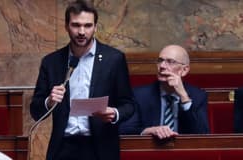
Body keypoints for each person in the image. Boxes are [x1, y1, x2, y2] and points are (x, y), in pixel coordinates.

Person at [30, 0, 135, 160]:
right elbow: (35, 110)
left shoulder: (113, 59)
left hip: (100, 147)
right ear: (66, 26)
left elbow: (128, 104)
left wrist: (114, 113)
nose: (81, 31)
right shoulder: (51, 62)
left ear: (95, 27)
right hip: (63, 148)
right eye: (76, 25)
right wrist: (49, 102)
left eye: (87, 25)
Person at [119, 44, 210, 139]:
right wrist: (149, 131)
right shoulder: (139, 95)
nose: (162, 66)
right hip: (150, 151)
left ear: (184, 70)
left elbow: (203, 134)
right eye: (160, 61)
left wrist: (184, 97)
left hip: (184, 151)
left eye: (170, 62)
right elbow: (125, 130)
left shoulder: (198, 95)